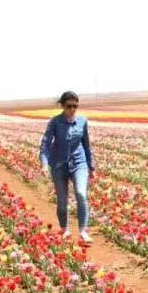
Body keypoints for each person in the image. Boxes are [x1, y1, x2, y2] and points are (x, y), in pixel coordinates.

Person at [39, 91, 95, 242]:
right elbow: (45, 144)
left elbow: (87, 145)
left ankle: (83, 230)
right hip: (59, 164)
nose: (72, 109)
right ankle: (64, 229)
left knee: (81, 193)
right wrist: (44, 163)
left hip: (79, 162)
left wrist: (91, 166)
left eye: (75, 106)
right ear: (62, 106)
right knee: (62, 199)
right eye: (69, 106)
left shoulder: (82, 121)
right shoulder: (54, 122)